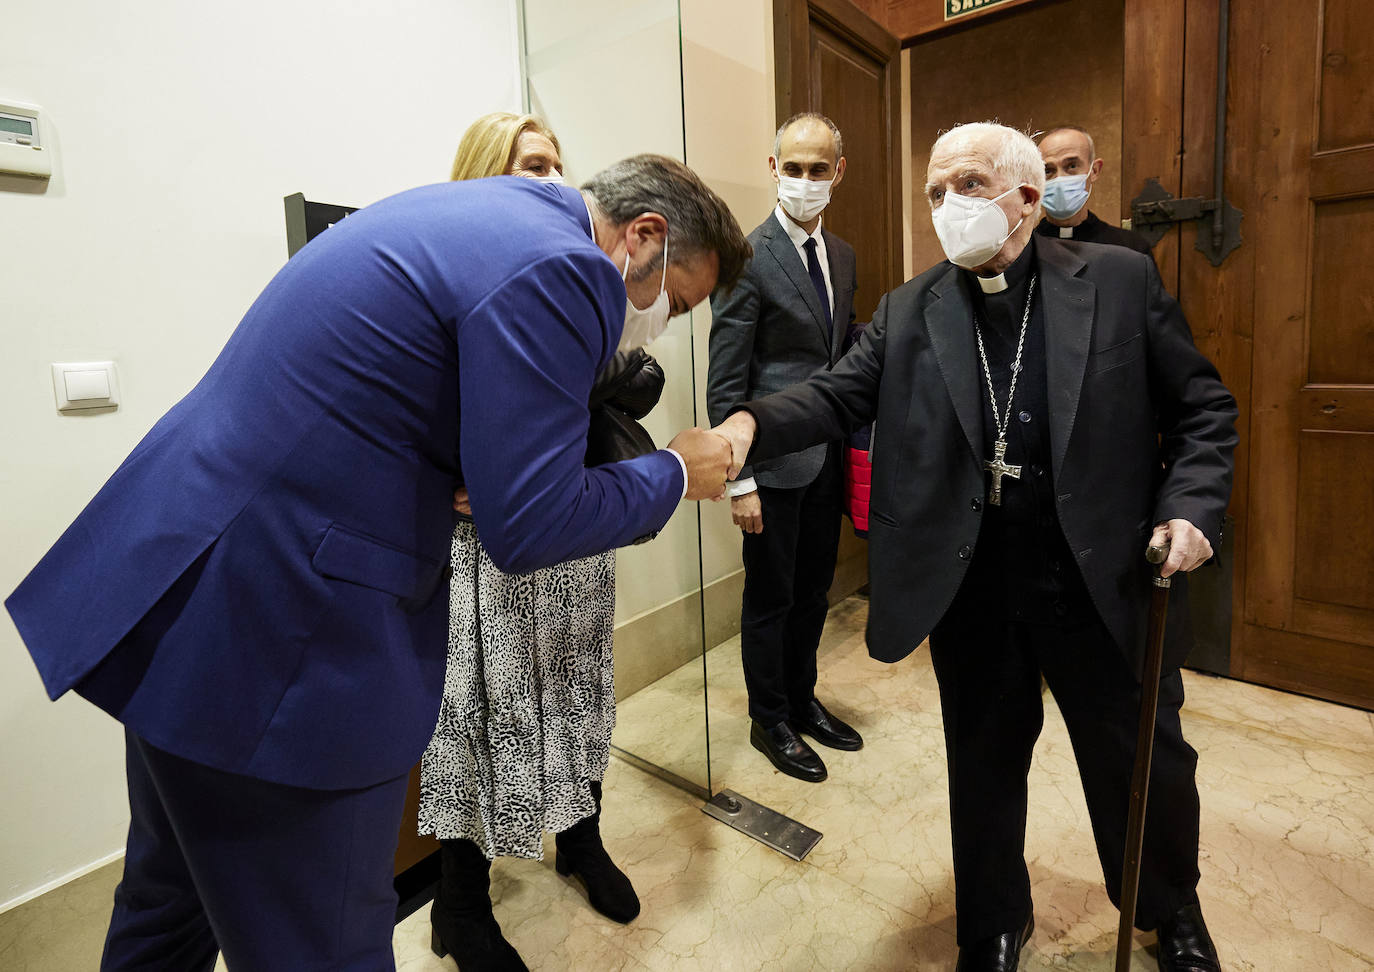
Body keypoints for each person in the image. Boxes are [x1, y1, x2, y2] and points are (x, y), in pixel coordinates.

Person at [5, 153, 748, 971]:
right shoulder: (565, 265)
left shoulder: (487, 214)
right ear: (645, 235)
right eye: (669, 299)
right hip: (285, 641)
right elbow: (530, 525)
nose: (656, 321)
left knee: (165, 910)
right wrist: (676, 470)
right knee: (327, 946)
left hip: (184, 591)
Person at [713, 122, 1235, 972]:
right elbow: (835, 395)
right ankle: (992, 919)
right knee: (983, 763)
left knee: (1144, 762)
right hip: (974, 585)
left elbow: (1205, 411)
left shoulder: (1118, 280)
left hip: (1099, 580)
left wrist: (1192, 508)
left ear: (1026, 199)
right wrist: (746, 425)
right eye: (935, 190)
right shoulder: (911, 308)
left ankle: (1167, 907)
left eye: (967, 184)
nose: (947, 205)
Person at [420, 112, 656, 971]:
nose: (556, 183)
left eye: (560, 164)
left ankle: (582, 840)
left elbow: (638, 372)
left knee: (583, 686)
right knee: (481, 714)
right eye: (532, 166)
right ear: (487, 177)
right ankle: (460, 901)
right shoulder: (464, 268)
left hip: (575, 526)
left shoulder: (578, 271)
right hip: (487, 541)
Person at [706, 112, 862, 784]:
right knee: (771, 595)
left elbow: (844, 357)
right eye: (792, 167)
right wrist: (737, 482)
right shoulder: (748, 258)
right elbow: (725, 381)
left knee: (814, 591)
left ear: (837, 172)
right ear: (774, 170)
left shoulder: (845, 256)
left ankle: (802, 700)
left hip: (825, 454)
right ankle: (768, 716)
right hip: (769, 464)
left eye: (816, 168)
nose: (804, 180)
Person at [1034, 124, 1154, 255]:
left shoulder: (1131, 248)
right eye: (1048, 170)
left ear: (1094, 170)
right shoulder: (1022, 250)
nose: (1059, 178)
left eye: (1072, 166)